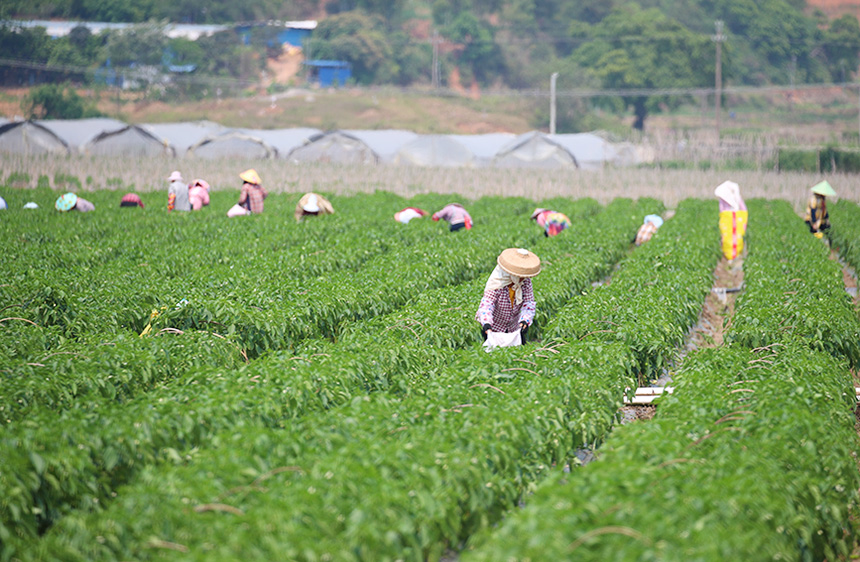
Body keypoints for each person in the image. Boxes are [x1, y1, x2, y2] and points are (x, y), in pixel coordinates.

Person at [476, 248, 541, 346]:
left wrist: (525, 320)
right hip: (494, 328)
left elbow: (529, 302)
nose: (523, 278)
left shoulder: (525, 282)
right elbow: (487, 304)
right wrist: (486, 323)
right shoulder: (498, 282)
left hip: (513, 328)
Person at [715, 180, 748, 261]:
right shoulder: (724, 199)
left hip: (734, 220)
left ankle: (734, 255)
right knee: (728, 237)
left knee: (736, 237)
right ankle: (729, 256)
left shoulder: (736, 198)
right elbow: (722, 211)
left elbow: (743, 209)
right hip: (729, 220)